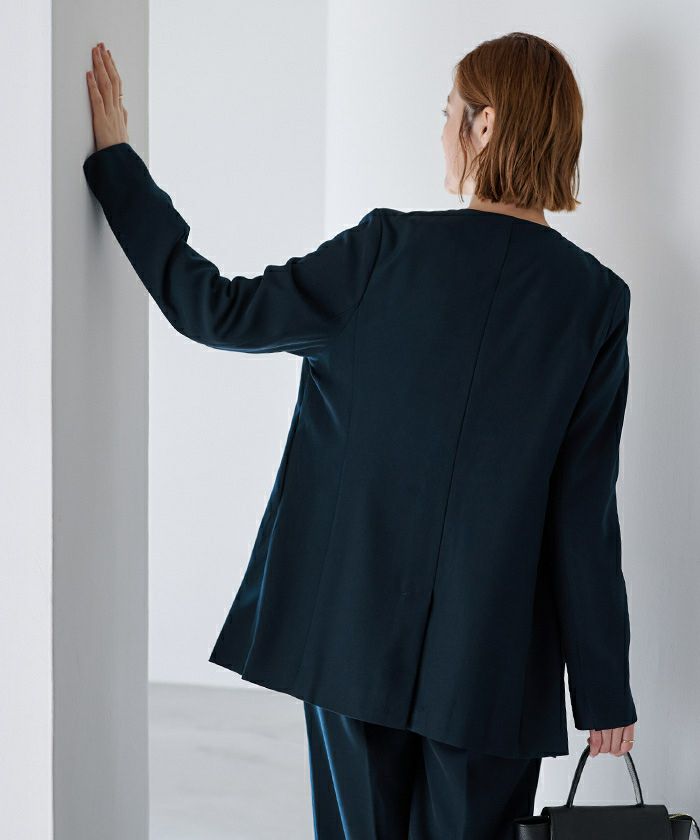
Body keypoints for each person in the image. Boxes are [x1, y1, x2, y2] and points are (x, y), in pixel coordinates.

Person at [84, 30, 637, 840]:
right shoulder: (593, 301)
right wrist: (603, 690)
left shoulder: (385, 252)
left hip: (353, 641)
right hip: (491, 668)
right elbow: (582, 513)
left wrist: (117, 166)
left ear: (484, 125)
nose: (441, 131)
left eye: (448, 112)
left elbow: (216, 310)